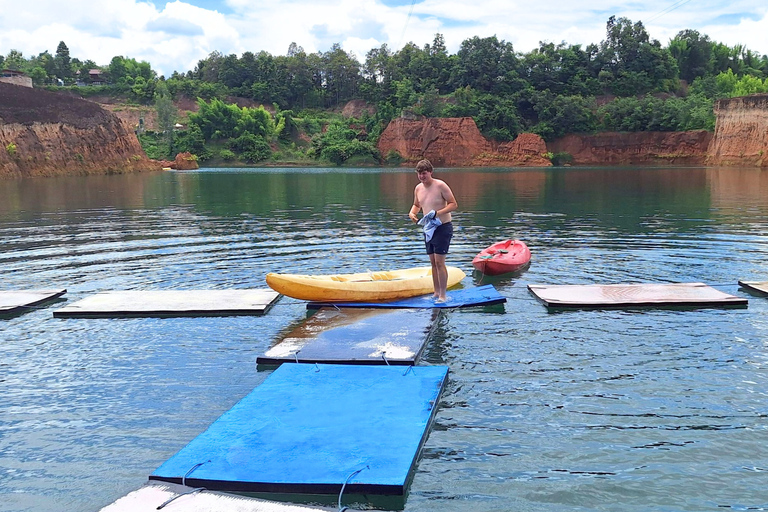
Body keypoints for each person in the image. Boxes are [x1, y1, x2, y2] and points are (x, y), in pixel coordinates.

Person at [408, 159, 458, 302]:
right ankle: (436, 292)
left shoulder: (440, 185)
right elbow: (416, 204)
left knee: (440, 262)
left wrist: (438, 213)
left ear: (430, 172)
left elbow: (454, 204)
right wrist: (412, 213)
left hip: (443, 227)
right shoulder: (418, 188)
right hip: (429, 228)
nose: (422, 177)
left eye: (424, 173)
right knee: (433, 262)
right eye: (419, 174)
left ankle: (443, 294)